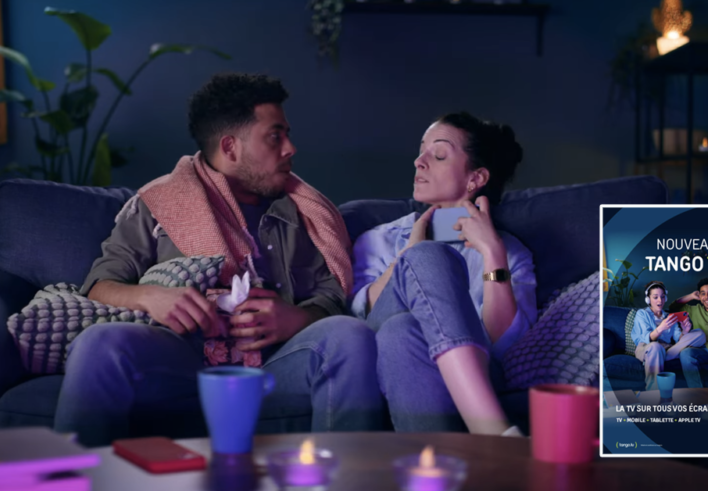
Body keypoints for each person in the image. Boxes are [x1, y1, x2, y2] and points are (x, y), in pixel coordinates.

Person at [53, 73, 386, 446]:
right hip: (183, 360)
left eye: (287, 134)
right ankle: (75, 475)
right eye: (275, 136)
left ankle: (347, 474)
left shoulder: (306, 212)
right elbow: (98, 286)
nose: (290, 148)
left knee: (350, 336)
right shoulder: (157, 204)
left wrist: (296, 318)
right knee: (99, 342)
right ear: (230, 147)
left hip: (277, 362)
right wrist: (149, 296)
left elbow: (332, 297)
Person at [351, 111, 537, 436]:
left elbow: (503, 345)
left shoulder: (509, 253)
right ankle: (494, 432)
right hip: (378, 359)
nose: (418, 162)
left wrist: (492, 253)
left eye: (438, 155)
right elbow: (360, 319)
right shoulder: (379, 239)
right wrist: (408, 258)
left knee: (401, 330)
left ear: (475, 179)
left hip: (470, 373)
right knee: (425, 259)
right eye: (421, 151)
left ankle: (437, 464)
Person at [632, 281, 706, 391]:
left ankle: (663, 356)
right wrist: (661, 328)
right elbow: (648, 338)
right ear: (648, 299)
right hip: (647, 347)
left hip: (668, 349)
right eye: (655, 297)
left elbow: (678, 339)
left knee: (699, 334)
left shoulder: (669, 316)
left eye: (662, 297)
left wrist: (685, 331)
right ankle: (653, 393)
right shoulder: (642, 314)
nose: (660, 300)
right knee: (656, 347)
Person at [669, 277, 708, 344]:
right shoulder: (695, 310)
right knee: (686, 351)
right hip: (698, 348)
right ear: (700, 296)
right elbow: (673, 307)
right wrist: (691, 296)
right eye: (703, 294)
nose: (706, 297)